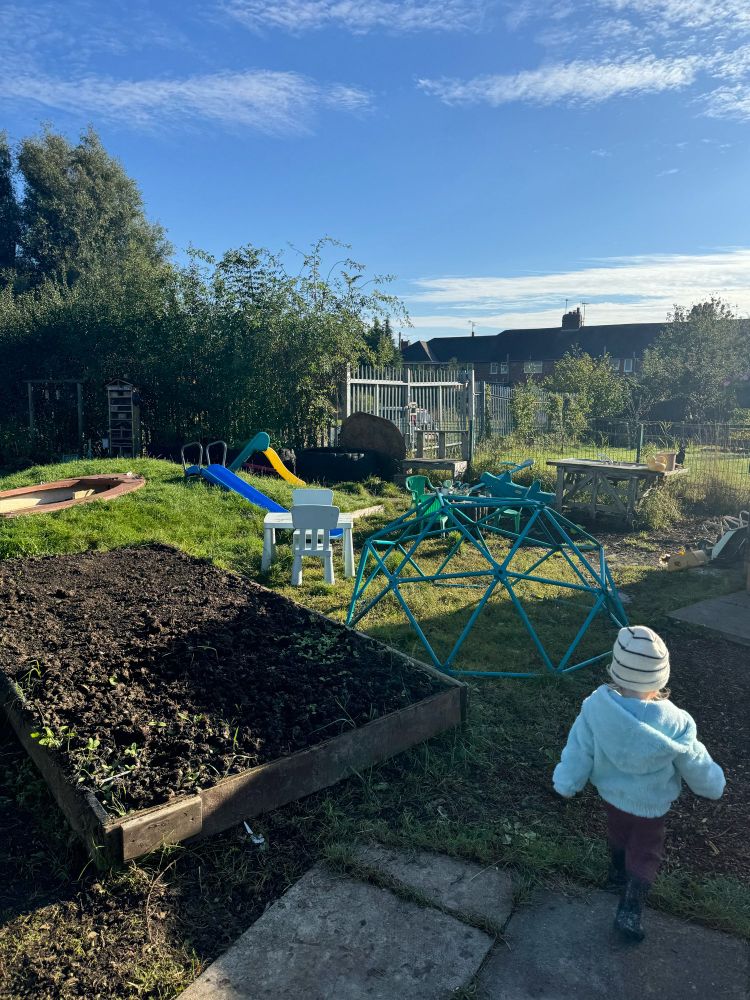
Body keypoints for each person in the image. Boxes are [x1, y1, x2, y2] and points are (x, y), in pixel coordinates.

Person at [552, 625, 725, 941]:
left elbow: (579, 749)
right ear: (661, 678)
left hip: (612, 796)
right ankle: (630, 910)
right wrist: (712, 785)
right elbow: (695, 761)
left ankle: (616, 875)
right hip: (651, 805)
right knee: (645, 851)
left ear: (615, 671)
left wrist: (567, 782)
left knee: (618, 833)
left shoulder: (596, 708)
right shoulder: (676, 722)